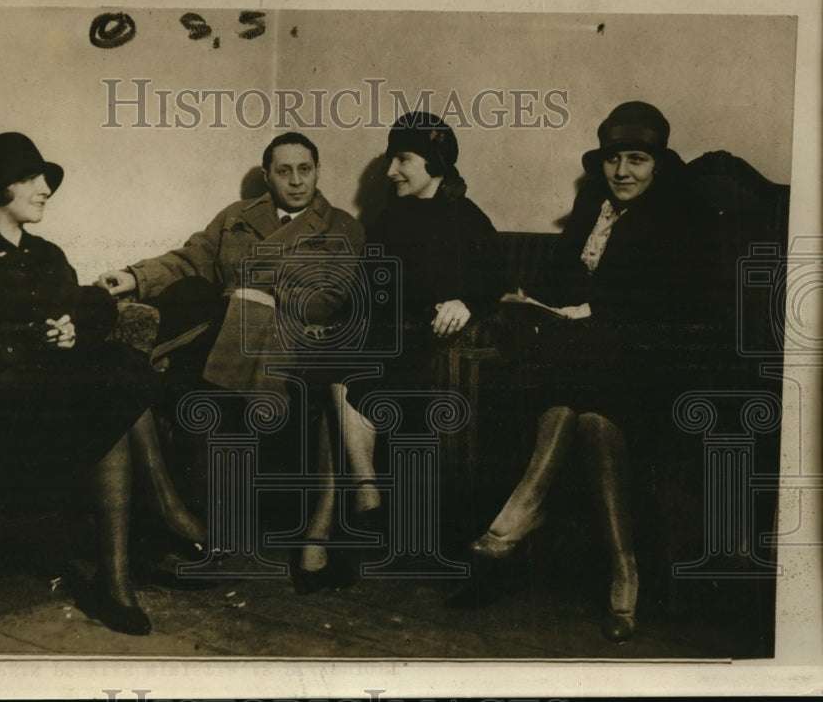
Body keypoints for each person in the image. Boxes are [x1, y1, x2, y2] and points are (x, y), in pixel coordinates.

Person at [0, 132, 205, 636]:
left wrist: (70, 331)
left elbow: (87, 306)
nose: (46, 189)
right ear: (1, 187)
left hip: (45, 393)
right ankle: (164, 515)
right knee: (108, 388)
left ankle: (118, 577)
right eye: (32, 178)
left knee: (114, 367)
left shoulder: (45, 253)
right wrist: (32, 329)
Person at [468, 101, 715, 643]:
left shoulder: (680, 213)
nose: (622, 171)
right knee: (583, 417)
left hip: (656, 371)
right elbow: (560, 277)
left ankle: (521, 511)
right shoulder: (591, 205)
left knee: (584, 403)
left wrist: (589, 312)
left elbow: (671, 309)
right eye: (612, 159)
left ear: (657, 164)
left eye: (636, 159)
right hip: (588, 364)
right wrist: (535, 302)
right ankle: (624, 571)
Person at [294, 111, 503, 592]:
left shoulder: (469, 220)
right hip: (384, 342)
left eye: (403, 159)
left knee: (342, 370)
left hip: (430, 350)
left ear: (435, 162)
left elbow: (494, 284)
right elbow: (369, 285)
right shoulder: (394, 216)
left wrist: (466, 302)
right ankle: (367, 498)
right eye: (392, 159)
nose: (391, 171)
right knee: (338, 359)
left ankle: (353, 511)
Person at [97, 131, 366, 403]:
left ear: (317, 171)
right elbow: (193, 258)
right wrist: (134, 276)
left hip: (278, 338)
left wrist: (255, 290)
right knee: (194, 289)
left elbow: (325, 300)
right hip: (218, 332)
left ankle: (160, 365)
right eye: (284, 171)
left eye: (304, 169)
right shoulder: (237, 214)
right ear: (267, 176)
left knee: (232, 321)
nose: (296, 181)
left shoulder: (342, 228)